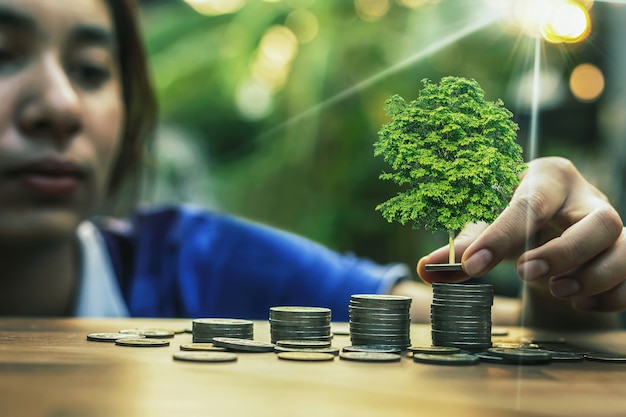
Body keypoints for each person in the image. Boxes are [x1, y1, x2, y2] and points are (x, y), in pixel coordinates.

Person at [0, 0, 620, 330]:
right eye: (4, 55)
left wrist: (565, 288)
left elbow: (512, 328)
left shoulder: (200, 259)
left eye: (90, 71)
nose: (61, 105)